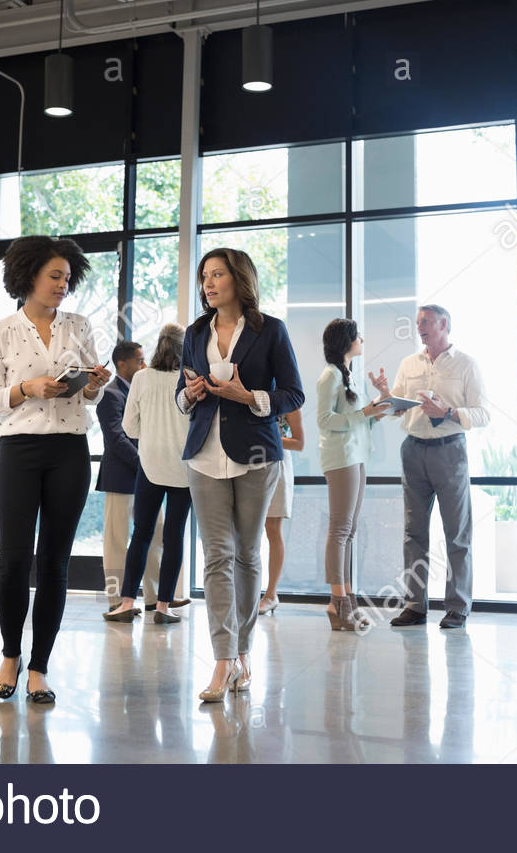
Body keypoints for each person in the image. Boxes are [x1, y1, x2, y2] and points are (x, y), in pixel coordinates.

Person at [0, 235, 111, 704]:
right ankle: (10, 655)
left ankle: (40, 668)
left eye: (67, 277)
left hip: (70, 452)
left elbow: (89, 394)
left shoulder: (79, 325)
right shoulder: (1, 331)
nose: (63, 284)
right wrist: (27, 388)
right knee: (13, 560)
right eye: (54, 275)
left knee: (54, 563)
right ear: (28, 274)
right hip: (18, 451)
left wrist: (95, 384)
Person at [178, 247, 304, 703]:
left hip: (256, 454)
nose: (208, 284)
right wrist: (191, 395)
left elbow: (293, 394)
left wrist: (248, 396)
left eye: (217, 275)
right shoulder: (194, 333)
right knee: (216, 556)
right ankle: (223, 659)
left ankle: (244, 651)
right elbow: (179, 396)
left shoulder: (270, 330)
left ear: (239, 279)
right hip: (203, 454)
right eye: (204, 277)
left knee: (247, 556)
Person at [369, 304, 488, 629]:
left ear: (443, 324)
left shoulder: (466, 364)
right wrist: (386, 396)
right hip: (413, 450)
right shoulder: (409, 364)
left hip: (450, 452)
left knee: (457, 534)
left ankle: (457, 608)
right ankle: (414, 606)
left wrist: (448, 412)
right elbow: (398, 409)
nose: (419, 327)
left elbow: (482, 414)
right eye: (417, 322)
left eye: (425, 322)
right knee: (414, 533)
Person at [105, 323, 193, 625]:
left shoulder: (141, 378)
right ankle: (164, 607)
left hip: (150, 467)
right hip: (184, 469)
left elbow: (129, 428)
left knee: (141, 535)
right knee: (174, 535)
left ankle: (127, 601)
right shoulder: (191, 379)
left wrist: (152, 435)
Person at [317, 318, 390, 630]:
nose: (361, 338)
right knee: (339, 529)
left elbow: (360, 419)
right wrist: (364, 413)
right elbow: (324, 420)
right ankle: (337, 604)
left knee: (349, 530)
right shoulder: (329, 376)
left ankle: (347, 599)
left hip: (358, 456)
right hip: (341, 457)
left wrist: (379, 406)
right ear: (345, 341)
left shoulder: (349, 376)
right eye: (357, 335)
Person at [96, 339, 165, 611]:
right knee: (116, 540)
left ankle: (155, 598)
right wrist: (144, 463)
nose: (144, 364)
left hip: (147, 477)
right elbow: (116, 438)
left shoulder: (140, 391)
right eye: (139, 360)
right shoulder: (110, 394)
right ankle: (116, 601)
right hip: (122, 477)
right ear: (121, 364)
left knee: (154, 535)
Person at [258, 408, 304, 615]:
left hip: (277, 462)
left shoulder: (289, 401)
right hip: (251, 461)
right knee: (245, 530)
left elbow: (299, 443)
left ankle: (271, 594)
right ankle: (246, 592)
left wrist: (268, 436)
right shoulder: (250, 393)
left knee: (273, 529)